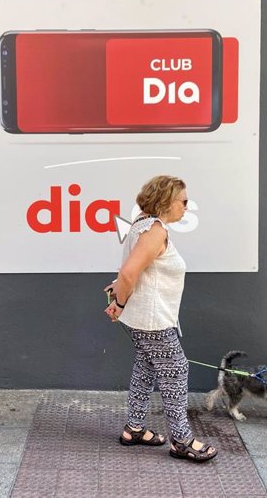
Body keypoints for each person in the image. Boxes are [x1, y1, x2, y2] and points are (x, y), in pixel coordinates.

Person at [104, 175, 217, 462]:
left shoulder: (142, 224)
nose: (187, 207)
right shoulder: (155, 230)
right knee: (176, 370)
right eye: (184, 201)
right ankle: (182, 440)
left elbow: (131, 272)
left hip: (143, 317)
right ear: (166, 201)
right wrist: (119, 299)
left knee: (145, 367)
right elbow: (129, 273)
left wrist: (119, 298)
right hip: (153, 320)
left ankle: (135, 428)